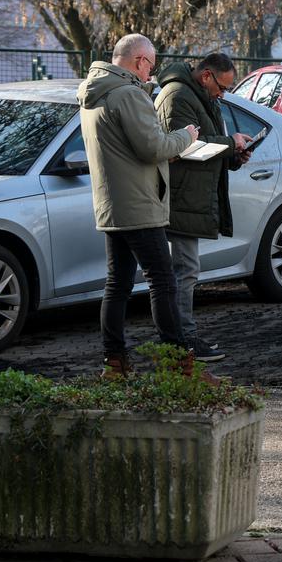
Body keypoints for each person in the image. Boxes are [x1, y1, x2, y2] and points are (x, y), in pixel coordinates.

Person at [79, 33, 201, 379]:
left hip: (112, 204)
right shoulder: (128, 94)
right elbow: (152, 147)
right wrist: (186, 137)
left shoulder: (93, 93)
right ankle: (178, 365)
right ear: (139, 61)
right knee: (163, 281)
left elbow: (127, 149)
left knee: (117, 284)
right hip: (140, 204)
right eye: (151, 65)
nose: (152, 73)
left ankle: (114, 363)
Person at [154, 53, 252, 362]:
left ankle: (181, 338)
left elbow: (206, 146)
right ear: (206, 75)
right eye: (221, 87)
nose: (223, 95)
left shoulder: (200, 96)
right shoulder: (178, 96)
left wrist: (234, 156)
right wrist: (230, 143)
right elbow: (183, 147)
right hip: (180, 197)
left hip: (190, 196)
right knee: (184, 271)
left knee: (184, 271)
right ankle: (182, 340)